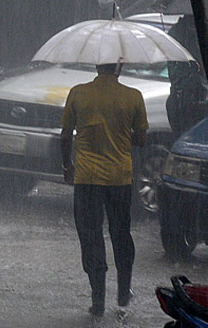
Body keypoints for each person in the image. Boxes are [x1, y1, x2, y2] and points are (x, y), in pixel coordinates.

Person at [59, 63, 148, 317]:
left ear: (97, 65)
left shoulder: (78, 93)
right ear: (119, 66)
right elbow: (141, 139)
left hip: (87, 179)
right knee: (121, 233)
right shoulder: (133, 96)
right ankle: (123, 293)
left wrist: (67, 165)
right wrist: (120, 135)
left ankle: (98, 300)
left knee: (91, 237)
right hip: (120, 179)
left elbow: (65, 136)